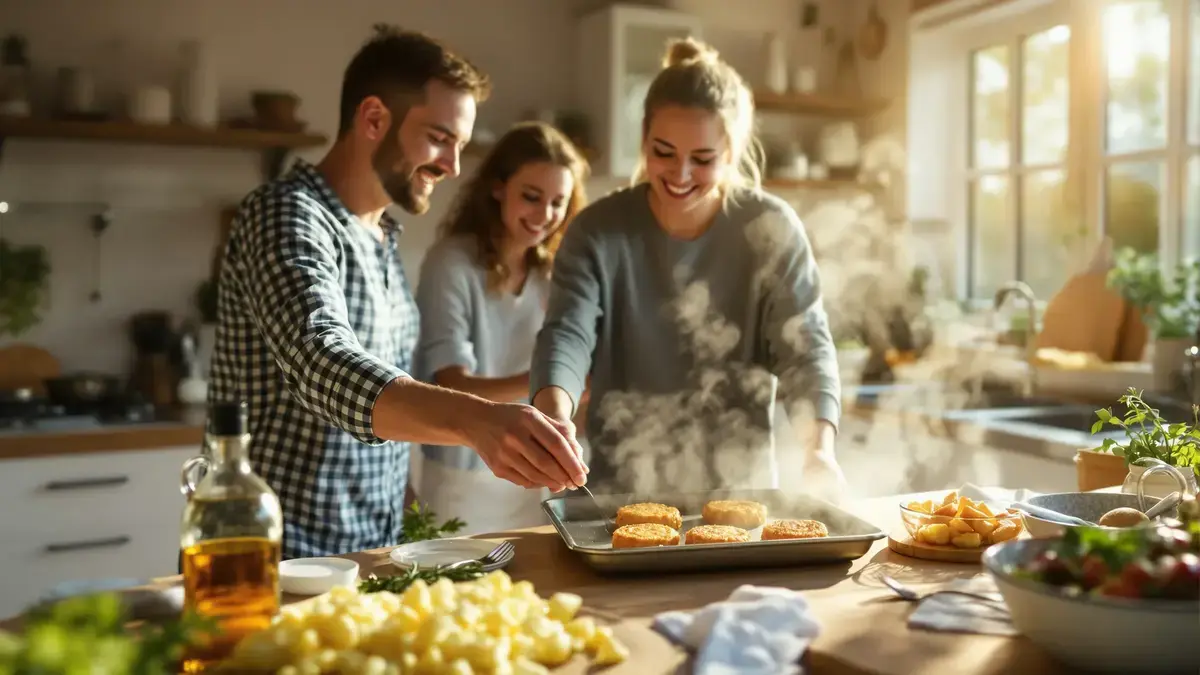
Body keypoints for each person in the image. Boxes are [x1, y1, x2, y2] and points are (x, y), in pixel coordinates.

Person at [208, 26, 587, 560]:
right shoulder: (287, 214)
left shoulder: (383, 237)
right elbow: (321, 361)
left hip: (369, 551)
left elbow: (388, 407)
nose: (453, 166)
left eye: (458, 145)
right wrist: (478, 421)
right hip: (273, 555)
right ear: (373, 119)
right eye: (439, 138)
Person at [529, 37, 846, 498]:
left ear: (733, 154)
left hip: (743, 497)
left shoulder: (771, 229)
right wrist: (555, 416)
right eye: (663, 152)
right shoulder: (597, 231)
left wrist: (819, 451)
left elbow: (805, 349)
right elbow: (566, 335)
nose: (679, 175)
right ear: (642, 141)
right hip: (621, 493)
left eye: (702, 160)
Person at [414, 122, 590, 534]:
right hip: (463, 485)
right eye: (531, 197)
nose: (544, 216)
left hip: (536, 486)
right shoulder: (451, 265)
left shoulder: (554, 273)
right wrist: (553, 380)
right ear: (497, 188)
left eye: (557, 203)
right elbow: (452, 386)